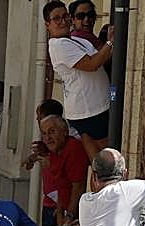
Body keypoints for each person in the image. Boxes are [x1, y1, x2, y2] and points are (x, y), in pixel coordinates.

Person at [44, 0, 113, 160]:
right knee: (109, 161)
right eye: (56, 19)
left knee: (99, 164)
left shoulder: (74, 39)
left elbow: (103, 58)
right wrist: (111, 41)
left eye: (65, 16)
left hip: (92, 108)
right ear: (48, 24)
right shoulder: (58, 45)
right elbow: (92, 64)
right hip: (91, 111)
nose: (63, 21)